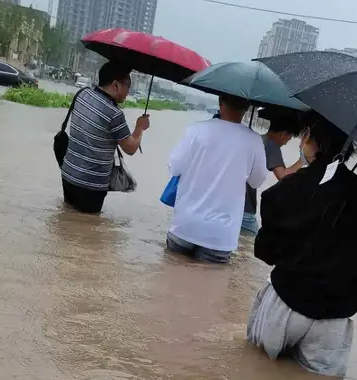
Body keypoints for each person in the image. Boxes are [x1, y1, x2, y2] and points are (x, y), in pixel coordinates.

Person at [247, 114, 357, 378]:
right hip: (334, 320)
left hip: (285, 305)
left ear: (310, 137)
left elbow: (265, 252)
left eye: (304, 134)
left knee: (255, 376)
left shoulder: (287, 190)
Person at [166, 94, 268, 263]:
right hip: (220, 235)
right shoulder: (254, 140)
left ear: (220, 102)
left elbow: (174, 167)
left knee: (170, 283)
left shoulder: (195, 130)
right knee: (209, 288)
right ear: (247, 108)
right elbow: (257, 181)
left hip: (185, 225)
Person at [61, 61, 150, 214]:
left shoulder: (82, 93)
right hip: (91, 185)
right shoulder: (114, 114)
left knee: (68, 217)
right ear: (115, 85)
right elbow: (130, 148)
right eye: (128, 86)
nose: (128, 92)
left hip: (68, 173)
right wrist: (140, 128)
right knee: (88, 230)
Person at [241, 112, 305, 235]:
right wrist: (303, 160)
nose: (287, 142)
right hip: (245, 209)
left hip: (234, 203)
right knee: (251, 245)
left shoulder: (257, 139)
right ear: (283, 133)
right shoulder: (271, 145)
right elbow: (283, 176)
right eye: (289, 137)